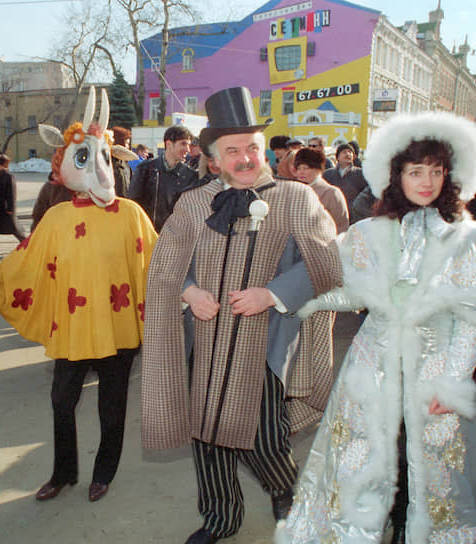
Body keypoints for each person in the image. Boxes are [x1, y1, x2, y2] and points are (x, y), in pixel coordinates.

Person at [276, 112, 476, 544]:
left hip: (433, 371)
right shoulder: (367, 233)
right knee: (364, 468)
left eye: (436, 171)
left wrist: (451, 381)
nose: (426, 181)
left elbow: (473, 322)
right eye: (415, 171)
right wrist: (295, 297)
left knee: (429, 474)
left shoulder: (471, 238)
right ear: (396, 174)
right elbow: (349, 292)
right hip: (370, 369)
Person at [141, 87, 342, 544]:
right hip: (206, 342)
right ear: (213, 160)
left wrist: (271, 294)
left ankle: (283, 486)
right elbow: (164, 267)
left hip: (266, 343)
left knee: (264, 438)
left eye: (252, 147)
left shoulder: (297, 198)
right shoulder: (191, 205)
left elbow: (326, 265)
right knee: (208, 435)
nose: (246, 158)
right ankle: (220, 518)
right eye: (233, 151)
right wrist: (190, 293)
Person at [0, 86, 157, 504]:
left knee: (111, 407)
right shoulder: (58, 217)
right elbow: (26, 262)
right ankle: (63, 473)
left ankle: (104, 473)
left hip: (117, 332)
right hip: (74, 329)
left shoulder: (132, 215)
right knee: (61, 402)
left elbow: (158, 264)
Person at [127, 124, 199, 232]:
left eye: (188, 145)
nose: (187, 149)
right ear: (169, 144)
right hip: (147, 236)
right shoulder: (146, 170)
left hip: (174, 241)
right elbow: (133, 204)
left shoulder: (190, 176)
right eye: (183, 144)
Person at [289, 148, 349, 233]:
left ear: (318, 170)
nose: (301, 172)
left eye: (306, 168)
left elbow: (341, 227)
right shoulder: (294, 192)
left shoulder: (332, 193)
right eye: (299, 168)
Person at [0, 153, 26, 257]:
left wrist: (10, 208)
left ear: (2, 165)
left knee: (14, 229)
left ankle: (27, 244)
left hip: (5, 209)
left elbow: (11, 194)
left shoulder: (8, 176)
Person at [323, 143, 368, 219]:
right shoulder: (328, 174)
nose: (348, 154)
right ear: (337, 157)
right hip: (332, 215)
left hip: (354, 216)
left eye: (350, 152)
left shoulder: (360, 174)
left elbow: (366, 193)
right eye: (344, 152)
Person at [111, 126, 133, 196]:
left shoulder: (126, 165)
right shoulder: (107, 164)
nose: (127, 147)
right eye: (126, 143)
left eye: (128, 144)